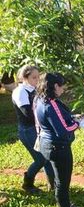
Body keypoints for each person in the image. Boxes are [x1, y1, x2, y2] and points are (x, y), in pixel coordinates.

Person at [34, 73, 84, 207]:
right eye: (62, 85)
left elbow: (57, 119)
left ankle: (65, 205)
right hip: (58, 147)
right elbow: (63, 130)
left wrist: (73, 117)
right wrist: (78, 123)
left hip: (47, 144)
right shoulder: (51, 104)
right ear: (55, 86)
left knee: (59, 180)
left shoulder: (40, 99)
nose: (64, 88)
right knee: (63, 182)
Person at [11, 65, 54, 194]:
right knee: (41, 159)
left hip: (38, 128)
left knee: (48, 156)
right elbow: (27, 114)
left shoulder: (35, 89)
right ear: (25, 78)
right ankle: (28, 183)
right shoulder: (20, 91)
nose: (37, 80)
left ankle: (53, 186)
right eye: (34, 77)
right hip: (28, 130)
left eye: (38, 77)